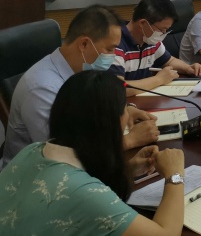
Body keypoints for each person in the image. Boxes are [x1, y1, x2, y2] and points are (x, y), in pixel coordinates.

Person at [0, 70, 185, 236]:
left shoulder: (33, 150)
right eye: (125, 110)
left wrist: (128, 169)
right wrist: (175, 175)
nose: (128, 116)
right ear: (109, 122)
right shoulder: (85, 194)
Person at [2, 6, 158, 168]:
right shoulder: (42, 88)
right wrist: (129, 140)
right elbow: (63, 155)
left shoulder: (81, 72)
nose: (113, 57)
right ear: (84, 44)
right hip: (33, 175)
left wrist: (122, 112)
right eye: (110, 49)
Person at [109, 0, 201, 96]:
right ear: (143, 23)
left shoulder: (149, 40)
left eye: (166, 30)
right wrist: (159, 79)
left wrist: (188, 68)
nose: (163, 34)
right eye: (162, 29)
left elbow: (169, 61)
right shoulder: (114, 44)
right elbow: (118, 88)